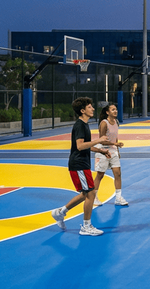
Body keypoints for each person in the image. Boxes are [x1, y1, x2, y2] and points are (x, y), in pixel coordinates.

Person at [50, 97, 109, 236]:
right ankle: (86, 227)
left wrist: (101, 150)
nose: (93, 109)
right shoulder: (80, 125)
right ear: (82, 111)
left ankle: (60, 213)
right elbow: (80, 146)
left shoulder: (84, 124)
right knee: (90, 193)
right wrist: (99, 140)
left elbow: (86, 146)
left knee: (85, 194)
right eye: (90, 107)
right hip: (79, 164)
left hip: (82, 164)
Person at [92, 103, 127, 207]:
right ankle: (94, 197)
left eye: (116, 109)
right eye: (113, 110)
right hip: (103, 151)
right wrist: (115, 144)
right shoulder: (104, 123)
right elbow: (102, 141)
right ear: (107, 112)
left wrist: (117, 150)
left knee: (118, 174)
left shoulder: (116, 122)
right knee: (100, 175)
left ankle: (118, 198)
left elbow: (115, 137)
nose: (115, 111)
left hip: (113, 151)